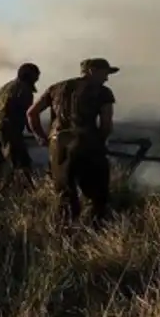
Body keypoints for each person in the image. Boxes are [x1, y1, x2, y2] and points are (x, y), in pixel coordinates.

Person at [26, 58, 119, 228]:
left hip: (58, 146)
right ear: (91, 71)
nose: (106, 78)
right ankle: (93, 232)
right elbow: (106, 124)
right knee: (97, 195)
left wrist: (41, 137)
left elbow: (31, 113)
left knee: (65, 195)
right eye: (104, 73)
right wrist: (100, 143)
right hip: (86, 143)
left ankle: (65, 233)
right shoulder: (103, 92)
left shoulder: (55, 88)